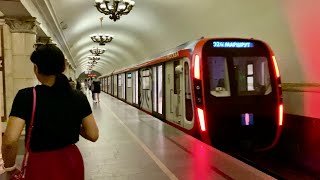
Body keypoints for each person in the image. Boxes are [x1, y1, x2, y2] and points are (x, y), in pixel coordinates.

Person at [2, 44, 99, 180]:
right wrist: (71, 124)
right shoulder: (78, 96)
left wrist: (10, 167)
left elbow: (10, 140)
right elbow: (93, 134)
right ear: (63, 67)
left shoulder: (27, 96)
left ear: (36, 68)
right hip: (72, 161)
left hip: (40, 163)